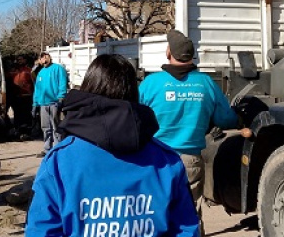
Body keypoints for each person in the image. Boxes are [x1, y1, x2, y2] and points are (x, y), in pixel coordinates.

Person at [26, 54, 200, 237]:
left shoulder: (58, 162)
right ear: (135, 93)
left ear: (87, 90)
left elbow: (41, 230)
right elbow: (185, 229)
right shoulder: (167, 161)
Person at [139, 30, 239, 215]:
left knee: (156, 214)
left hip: (156, 160)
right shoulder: (206, 83)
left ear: (168, 52)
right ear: (192, 56)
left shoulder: (150, 83)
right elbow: (226, 119)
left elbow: (135, 119)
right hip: (190, 161)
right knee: (189, 216)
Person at [31, 51, 68, 157]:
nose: (44, 59)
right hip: (43, 104)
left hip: (54, 102)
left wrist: (61, 97)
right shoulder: (41, 73)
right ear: (40, 60)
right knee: (45, 127)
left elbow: (62, 83)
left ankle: (57, 148)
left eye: (46, 57)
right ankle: (47, 149)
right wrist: (35, 104)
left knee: (55, 126)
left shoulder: (58, 69)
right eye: (42, 58)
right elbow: (37, 89)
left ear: (50, 58)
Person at [10, 55, 34, 133]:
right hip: (16, 97)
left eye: (21, 59)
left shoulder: (29, 71)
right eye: (18, 60)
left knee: (27, 114)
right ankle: (18, 130)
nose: (19, 61)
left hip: (27, 97)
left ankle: (27, 131)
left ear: (25, 60)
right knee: (17, 114)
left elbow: (34, 83)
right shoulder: (13, 71)